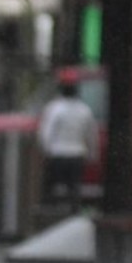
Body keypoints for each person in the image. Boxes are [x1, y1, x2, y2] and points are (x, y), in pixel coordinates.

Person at [37, 74, 99, 212]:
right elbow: (91, 135)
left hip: (57, 153)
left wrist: (45, 150)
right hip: (77, 154)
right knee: (74, 187)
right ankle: (73, 212)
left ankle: (49, 213)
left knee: (50, 187)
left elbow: (46, 132)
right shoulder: (85, 110)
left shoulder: (54, 108)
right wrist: (92, 154)